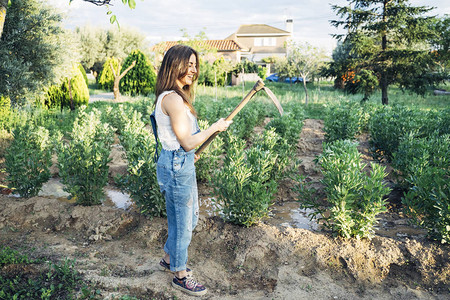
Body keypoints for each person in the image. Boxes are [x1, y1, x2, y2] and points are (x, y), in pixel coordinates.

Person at [153, 44, 231, 296]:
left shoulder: (173, 96)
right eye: (188, 64)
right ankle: (180, 275)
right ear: (173, 65)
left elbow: (180, 141)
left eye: (195, 65)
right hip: (177, 163)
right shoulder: (173, 99)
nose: (193, 70)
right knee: (185, 222)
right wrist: (214, 128)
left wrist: (190, 154)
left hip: (178, 160)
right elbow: (186, 141)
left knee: (185, 219)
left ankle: (168, 257)